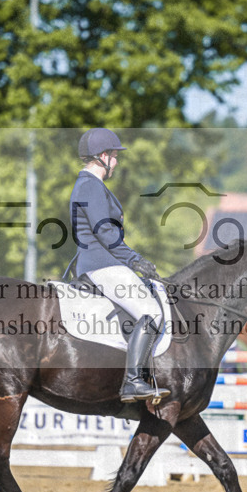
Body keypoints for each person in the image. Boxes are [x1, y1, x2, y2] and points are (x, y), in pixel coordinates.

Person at [69, 127, 170, 403]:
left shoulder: (89, 185)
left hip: (101, 262)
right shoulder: (90, 185)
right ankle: (133, 381)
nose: (116, 162)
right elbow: (104, 232)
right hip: (102, 264)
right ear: (103, 156)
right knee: (151, 312)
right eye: (114, 156)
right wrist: (134, 259)